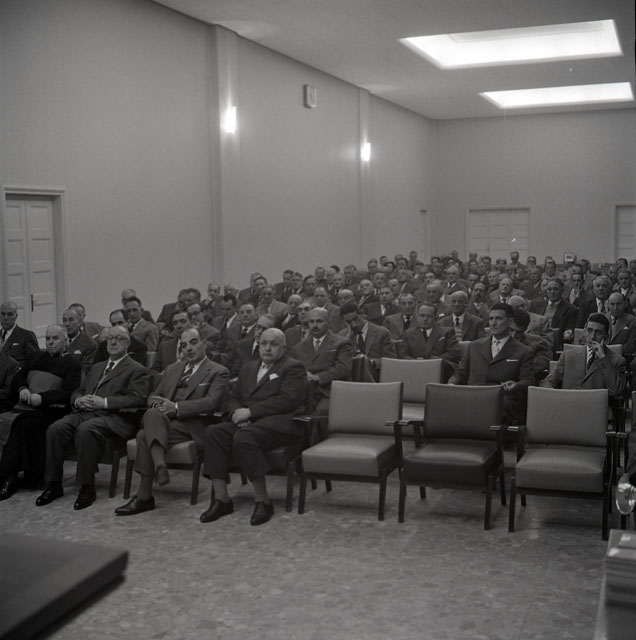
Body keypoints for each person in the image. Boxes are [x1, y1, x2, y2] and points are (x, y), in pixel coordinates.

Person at [114, 328, 229, 516]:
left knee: (143, 435)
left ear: (204, 343)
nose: (188, 348)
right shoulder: (172, 369)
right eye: (184, 345)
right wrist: (161, 406)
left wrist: (175, 407)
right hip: (164, 422)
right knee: (152, 415)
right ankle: (159, 467)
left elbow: (212, 402)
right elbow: (152, 397)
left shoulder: (218, 371)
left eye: (193, 342)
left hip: (193, 425)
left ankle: (144, 495)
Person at [199, 328, 306, 526]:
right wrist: (237, 414)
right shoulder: (248, 368)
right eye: (263, 343)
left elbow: (287, 400)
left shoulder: (293, 367)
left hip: (279, 423)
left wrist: (250, 412)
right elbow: (233, 397)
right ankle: (221, 500)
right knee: (213, 433)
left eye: (273, 344)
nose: (267, 348)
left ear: (284, 347)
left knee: (244, 436)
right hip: (248, 421)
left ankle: (263, 501)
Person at [36, 326, 149, 510]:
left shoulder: (137, 369)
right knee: (56, 428)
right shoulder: (97, 367)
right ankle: (53, 484)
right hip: (85, 412)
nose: (113, 342)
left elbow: (138, 399)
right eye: (110, 338)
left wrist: (104, 402)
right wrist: (78, 400)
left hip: (115, 418)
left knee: (85, 429)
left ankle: (87, 487)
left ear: (128, 343)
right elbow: (79, 390)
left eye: (118, 338)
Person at [0, 324, 81, 500]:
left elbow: (67, 392)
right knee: (21, 422)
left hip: (53, 410)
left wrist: (42, 398)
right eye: (48, 338)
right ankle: (15, 475)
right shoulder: (36, 356)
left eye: (55, 338)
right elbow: (19, 377)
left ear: (65, 341)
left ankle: (9, 477)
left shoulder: (72, 363)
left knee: (24, 424)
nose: (50, 342)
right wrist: (22, 388)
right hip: (28, 407)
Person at [449, 303, 534, 424]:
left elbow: (528, 381)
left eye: (498, 319)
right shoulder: (474, 346)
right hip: (473, 395)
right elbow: (461, 373)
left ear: (510, 322)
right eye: (491, 319)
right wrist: (452, 383)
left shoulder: (524, 351)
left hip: (502, 400)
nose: (493, 323)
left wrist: (516, 385)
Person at [541, 313, 627, 396]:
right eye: (589, 330)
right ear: (584, 332)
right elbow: (548, 382)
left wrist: (603, 359)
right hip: (568, 402)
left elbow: (616, 390)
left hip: (595, 404)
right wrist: (556, 396)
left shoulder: (617, 361)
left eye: (598, 332)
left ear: (606, 337)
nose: (592, 336)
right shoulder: (567, 356)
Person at [292, 308, 353, 414]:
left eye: (319, 321)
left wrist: (318, 377)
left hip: (329, 392)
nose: (315, 325)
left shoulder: (342, 343)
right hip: (305, 393)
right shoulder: (298, 348)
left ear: (328, 322)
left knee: (322, 411)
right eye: (311, 322)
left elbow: (343, 368)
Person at [402, 303, 462, 381]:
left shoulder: (447, 332)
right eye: (422, 315)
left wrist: (434, 360)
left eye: (429, 316)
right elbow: (404, 355)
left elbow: (455, 352)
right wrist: (416, 362)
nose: (425, 319)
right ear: (416, 317)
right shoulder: (408, 334)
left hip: (441, 370)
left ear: (435, 318)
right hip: (416, 370)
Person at [338, 301, 396, 381]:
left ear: (362, 315)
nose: (353, 324)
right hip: (352, 377)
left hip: (376, 375)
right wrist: (347, 339)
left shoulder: (382, 333)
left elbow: (391, 360)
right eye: (348, 322)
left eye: (355, 319)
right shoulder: (342, 336)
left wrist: (369, 362)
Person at [0, 301, 39, 367]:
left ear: (16, 316)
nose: (5, 318)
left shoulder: (26, 336)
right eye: (3, 314)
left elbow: (35, 362)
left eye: (10, 314)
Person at [62, 307, 98, 374]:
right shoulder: (59, 340)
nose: (67, 324)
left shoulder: (90, 344)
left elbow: (85, 370)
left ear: (79, 322)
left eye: (71, 320)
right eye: (64, 320)